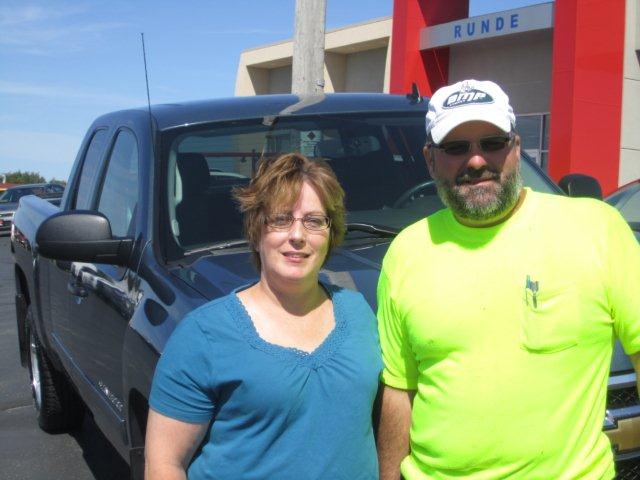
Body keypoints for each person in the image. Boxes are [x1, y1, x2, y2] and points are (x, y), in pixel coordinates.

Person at [376, 79, 640, 479]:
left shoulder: (597, 229)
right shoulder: (406, 253)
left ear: (517, 147)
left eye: (492, 142)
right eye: (456, 147)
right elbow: (400, 392)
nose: (477, 160)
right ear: (430, 160)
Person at [145, 153, 382, 479]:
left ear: (331, 233)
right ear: (256, 232)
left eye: (314, 221)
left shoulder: (359, 314)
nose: (298, 235)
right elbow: (163, 465)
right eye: (282, 219)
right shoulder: (203, 335)